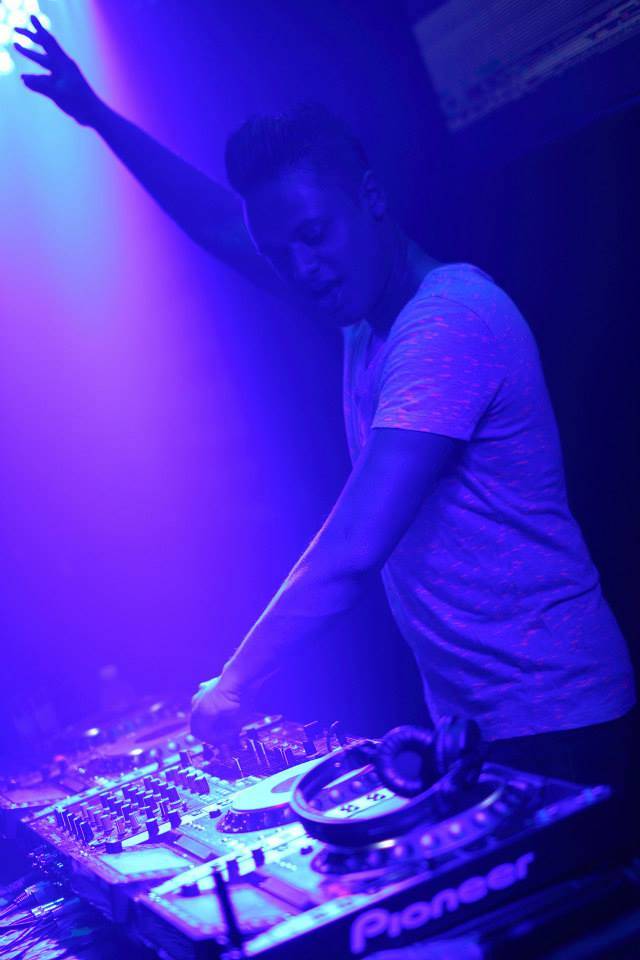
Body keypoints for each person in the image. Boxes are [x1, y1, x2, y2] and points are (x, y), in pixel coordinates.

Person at [14, 17, 637, 795]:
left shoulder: (449, 320)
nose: (303, 268)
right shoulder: (363, 318)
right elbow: (221, 225)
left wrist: (235, 682)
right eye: (282, 253)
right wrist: (96, 116)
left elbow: (351, 549)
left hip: (564, 726)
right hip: (488, 729)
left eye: (314, 234)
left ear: (370, 197)